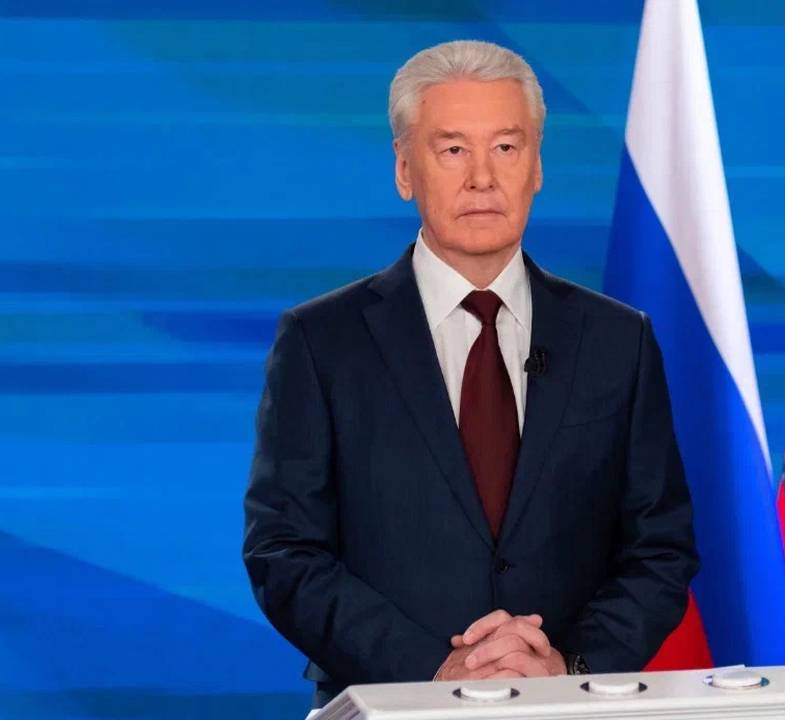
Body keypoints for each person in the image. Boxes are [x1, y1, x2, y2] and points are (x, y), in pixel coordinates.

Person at [241, 39, 699, 709]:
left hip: (565, 705)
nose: (482, 177)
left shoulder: (617, 340)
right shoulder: (321, 342)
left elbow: (660, 548)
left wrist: (568, 667)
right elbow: (284, 552)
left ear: (536, 167)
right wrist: (435, 670)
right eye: (453, 149)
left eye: (506, 147)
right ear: (405, 170)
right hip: (385, 705)